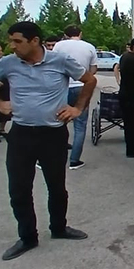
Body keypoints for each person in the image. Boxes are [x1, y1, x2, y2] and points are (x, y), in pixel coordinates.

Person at [0, 21, 97, 261]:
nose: (12, 46)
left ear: (35, 41)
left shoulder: (60, 60)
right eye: (10, 41)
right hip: (21, 134)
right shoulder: (9, 63)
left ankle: (59, 227)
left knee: (56, 187)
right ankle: (28, 237)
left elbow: (89, 80)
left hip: (53, 135)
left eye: (17, 41)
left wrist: (77, 108)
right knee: (19, 189)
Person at [52, 26, 98, 169]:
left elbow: (52, 64)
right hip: (82, 87)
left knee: (57, 122)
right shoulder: (89, 47)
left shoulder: (59, 46)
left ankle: (51, 157)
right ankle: (74, 160)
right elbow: (93, 69)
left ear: (65, 35)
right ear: (80, 34)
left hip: (63, 87)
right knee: (80, 125)